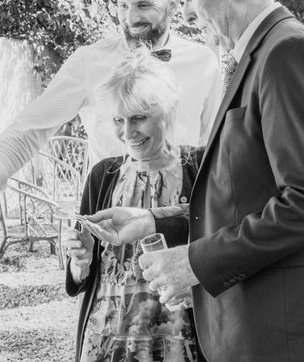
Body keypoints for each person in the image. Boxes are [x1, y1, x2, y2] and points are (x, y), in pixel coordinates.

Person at [87, 0, 304, 362]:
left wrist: (194, 262)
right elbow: (244, 194)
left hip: (284, 334)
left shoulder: (288, 52)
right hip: (264, 327)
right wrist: (154, 220)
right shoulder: (260, 53)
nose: (187, 15)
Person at [0, 0, 221, 227]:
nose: (131, 18)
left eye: (144, 5)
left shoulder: (204, 63)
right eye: (123, 6)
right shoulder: (90, 62)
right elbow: (32, 127)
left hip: (181, 215)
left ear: (172, 5)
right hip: (107, 213)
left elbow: (213, 147)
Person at [63, 49, 205, 362]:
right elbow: (81, 277)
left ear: (167, 111)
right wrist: (80, 262)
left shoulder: (199, 168)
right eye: (118, 120)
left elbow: (220, 244)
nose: (127, 133)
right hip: (109, 340)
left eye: (139, 118)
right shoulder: (103, 175)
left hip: (179, 341)